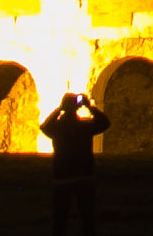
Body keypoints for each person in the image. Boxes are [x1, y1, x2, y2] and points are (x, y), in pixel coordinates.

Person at [40, 92, 110, 236]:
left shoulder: (58, 127)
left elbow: (45, 127)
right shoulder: (85, 126)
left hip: (62, 176)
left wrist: (60, 109)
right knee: (87, 218)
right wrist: (90, 107)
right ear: (77, 108)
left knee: (60, 219)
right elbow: (105, 123)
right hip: (85, 176)